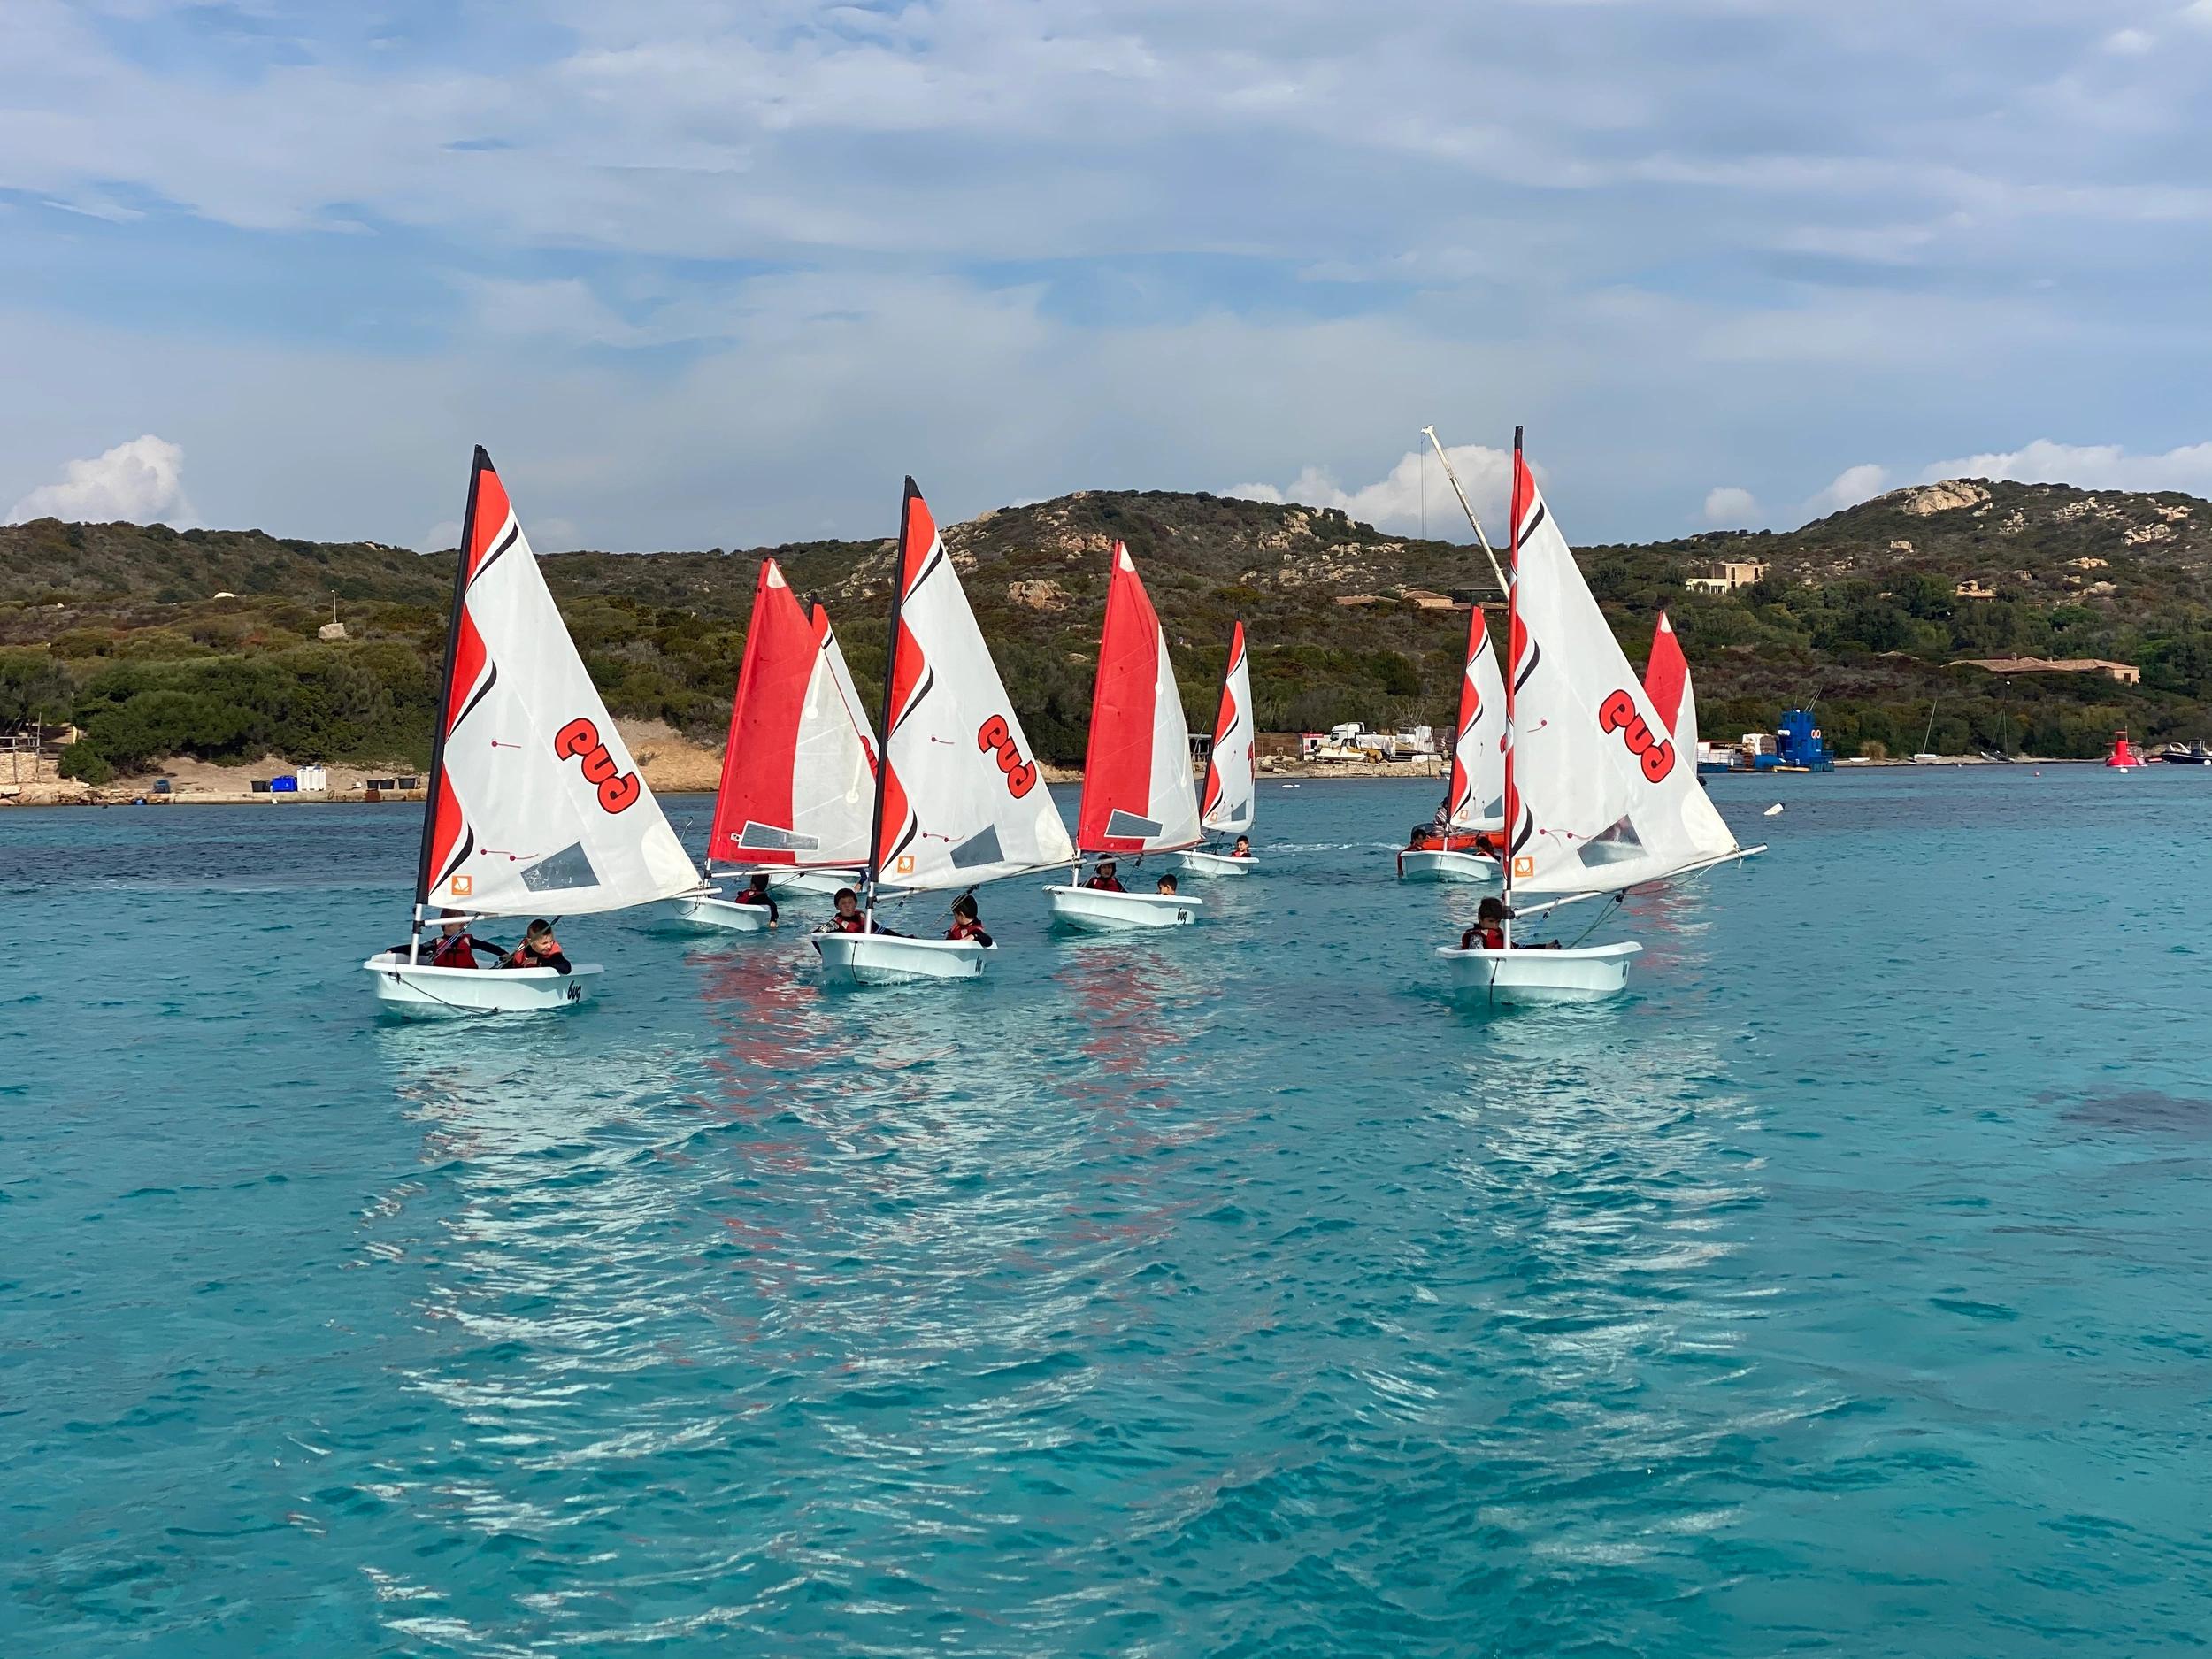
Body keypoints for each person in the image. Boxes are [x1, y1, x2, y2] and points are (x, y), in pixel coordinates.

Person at [427, 908, 499, 969]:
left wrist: (503, 953)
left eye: (464, 925)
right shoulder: (436, 942)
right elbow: (420, 949)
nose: (463, 928)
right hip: (444, 974)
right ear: (448, 925)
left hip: (467, 973)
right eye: (461, 925)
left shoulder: (467, 940)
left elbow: (486, 946)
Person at [501, 919, 572, 973]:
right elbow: (511, 964)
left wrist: (538, 961)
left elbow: (566, 968)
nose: (549, 946)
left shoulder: (553, 953)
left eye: (551, 941)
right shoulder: (524, 949)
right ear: (530, 942)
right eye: (544, 943)